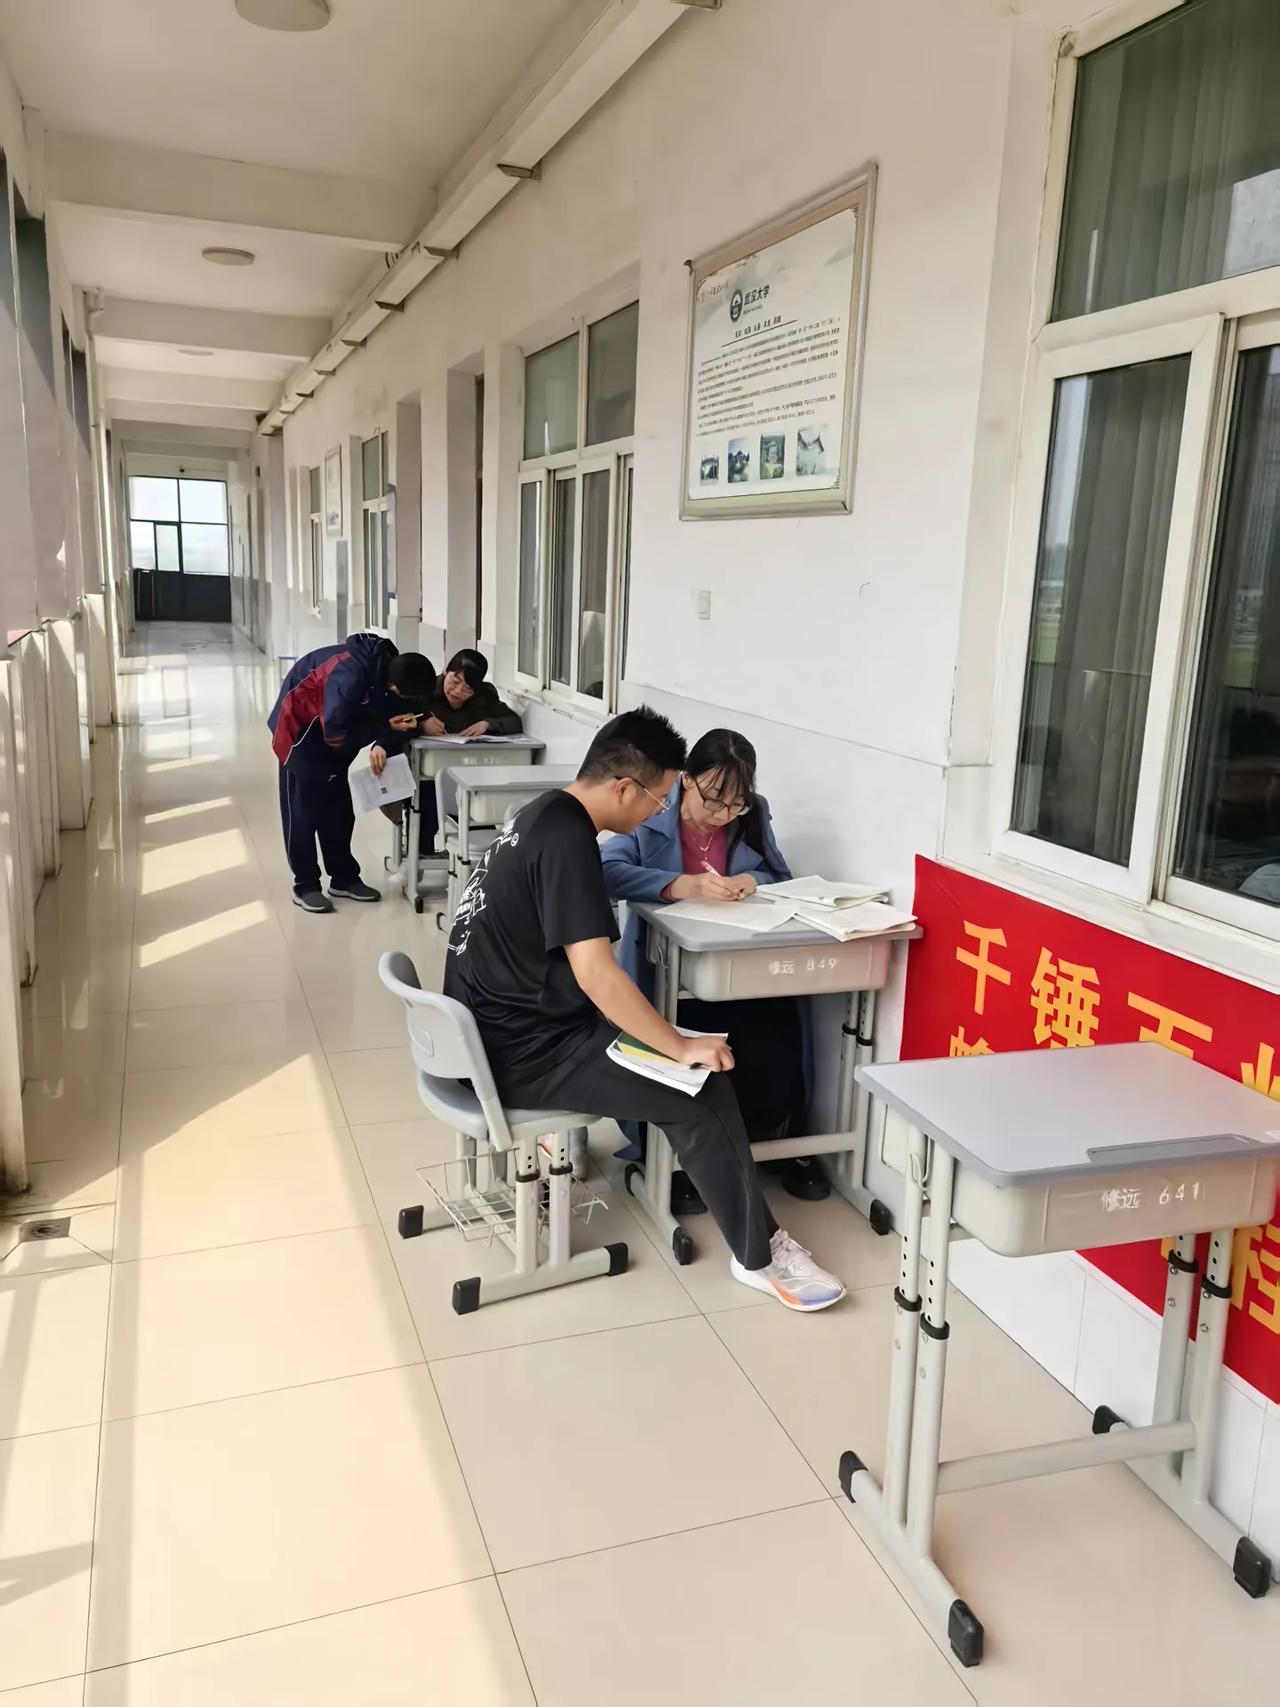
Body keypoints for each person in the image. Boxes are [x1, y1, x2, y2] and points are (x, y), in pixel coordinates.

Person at [442, 706, 845, 1311]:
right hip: (525, 1050)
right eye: (658, 799)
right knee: (701, 1085)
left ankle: (746, 1229)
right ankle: (760, 1257)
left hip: (489, 1034)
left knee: (688, 1057)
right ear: (624, 786)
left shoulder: (539, 814)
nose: (659, 812)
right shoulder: (569, 840)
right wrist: (679, 1047)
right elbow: (597, 974)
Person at [602, 729, 829, 1208]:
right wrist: (681, 885)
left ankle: (776, 1140)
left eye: (735, 804)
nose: (723, 814)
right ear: (686, 779)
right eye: (713, 799)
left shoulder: (751, 814)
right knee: (695, 1034)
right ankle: (683, 1155)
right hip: (668, 969)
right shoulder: (651, 813)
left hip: (737, 960)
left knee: (776, 1025)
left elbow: (779, 876)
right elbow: (606, 871)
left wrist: (749, 880)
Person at [269, 632, 435, 913]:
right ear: (393, 686)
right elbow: (335, 735)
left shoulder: (393, 670)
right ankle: (305, 885)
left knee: (339, 812)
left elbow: (403, 712)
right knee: (303, 814)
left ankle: (343, 878)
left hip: (335, 735)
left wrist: (414, 723)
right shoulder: (349, 675)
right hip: (299, 735)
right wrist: (384, 727)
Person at [382, 649, 523, 855]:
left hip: (469, 770)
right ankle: (422, 853)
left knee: (479, 809)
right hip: (426, 771)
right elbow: (397, 722)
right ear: (445, 670)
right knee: (427, 801)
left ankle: (477, 856)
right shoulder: (425, 689)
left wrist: (487, 723)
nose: (458, 691)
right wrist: (421, 724)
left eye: (468, 688)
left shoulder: (485, 696)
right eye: (454, 681)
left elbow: (513, 721)